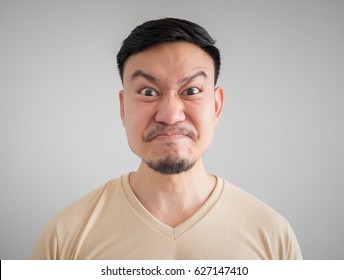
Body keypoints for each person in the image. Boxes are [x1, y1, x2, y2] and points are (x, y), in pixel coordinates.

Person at [31, 17, 302, 259]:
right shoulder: (66, 236)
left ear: (217, 106)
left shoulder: (273, 236)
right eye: (148, 92)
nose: (170, 115)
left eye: (192, 90)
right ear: (123, 107)